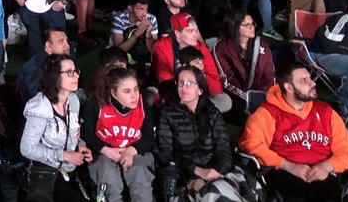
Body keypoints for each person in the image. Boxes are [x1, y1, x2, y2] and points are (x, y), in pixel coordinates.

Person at [239, 62, 348, 202]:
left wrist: (327, 166)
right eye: (304, 80)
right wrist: (287, 165)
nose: (312, 83)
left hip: (323, 174)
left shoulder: (326, 112)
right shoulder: (268, 113)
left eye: (310, 78)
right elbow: (250, 144)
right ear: (289, 87)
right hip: (285, 173)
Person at [155, 65, 240, 202]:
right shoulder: (167, 114)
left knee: (223, 189)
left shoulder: (212, 113)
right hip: (184, 175)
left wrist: (215, 173)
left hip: (216, 173)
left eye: (190, 83)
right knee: (213, 195)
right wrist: (197, 171)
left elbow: (223, 150)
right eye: (181, 83)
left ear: (200, 89)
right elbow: (165, 155)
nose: (184, 87)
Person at [20, 53, 91, 202]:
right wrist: (64, 155)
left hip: (70, 170)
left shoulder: (73, 100)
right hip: (47, 171)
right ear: (55, 77)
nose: (76, 76)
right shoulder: (39, 108)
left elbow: (72, 133)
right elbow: (26, 148)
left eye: (76, 71)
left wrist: (81, 145)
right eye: (70, 72)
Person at [81, 64, 155, 202]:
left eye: (136, 89)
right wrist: (108, 151)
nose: (134, 96)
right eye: (127, 91)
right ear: (114, 93)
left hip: (134, 152)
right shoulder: (97, 104)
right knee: (108, 175)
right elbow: (87, 134)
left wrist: (130, 151)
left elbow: (149, 137)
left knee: (140, 174)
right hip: (105, 153)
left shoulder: (142, 104)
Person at [151, 14, 232, 113]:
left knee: (225, 100)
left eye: (196, 30)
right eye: (190, 31)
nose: (196, 35)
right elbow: (165, 84)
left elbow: (216, 87)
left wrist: (200, 75)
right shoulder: (162, 47)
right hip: (174, 94)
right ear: (177, 33)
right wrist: (186, 72)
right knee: (155, 97)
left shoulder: (201, 48)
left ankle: (194, 111)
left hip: (198, 94)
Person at [214, 9, 275, 118]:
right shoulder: (221, 49)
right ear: (234, 27)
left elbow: (269, 75)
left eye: (252, 23)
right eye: (246, 25)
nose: (251, 27)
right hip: (237, 96)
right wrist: (250, 98)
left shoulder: (262, 46)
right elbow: (228, 81)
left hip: (262, 93)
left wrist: (261, 95)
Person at [109, 0, 158, 77]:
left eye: (146, 9)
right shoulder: (119, 19)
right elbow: (119, 51)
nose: (144, 13)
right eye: (140, 9)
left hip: (140, 56)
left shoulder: (151, 18)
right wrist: (137, 33)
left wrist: (148, 34)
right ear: (130, 8)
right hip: (121, 57)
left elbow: (154, 50)